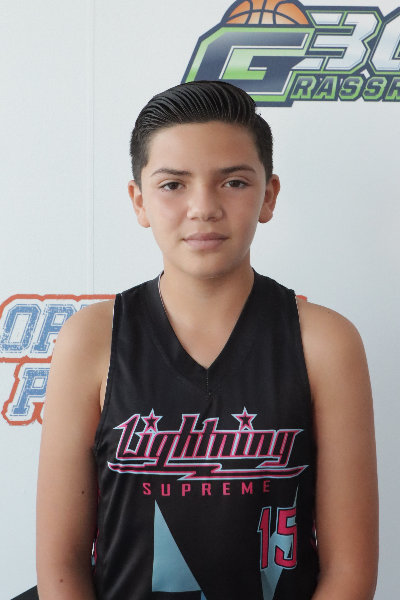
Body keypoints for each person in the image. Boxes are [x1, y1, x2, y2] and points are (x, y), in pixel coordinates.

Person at [36, 81, 378, 600]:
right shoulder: (91, 339)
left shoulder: (325, 343)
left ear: (268, 195)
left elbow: (349, 573)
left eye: (234, 182)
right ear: (139, 201)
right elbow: (60, 569)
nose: (203, 207)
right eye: (173, 184)